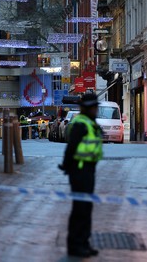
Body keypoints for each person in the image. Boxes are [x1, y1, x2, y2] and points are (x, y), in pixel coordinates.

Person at [58, 94, 103, 258]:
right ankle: (75, 245)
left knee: (86, 208)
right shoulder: (80, 124)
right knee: (80, 209)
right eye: (93, 107)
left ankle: (84, 243)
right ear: (86, 108)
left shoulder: (90, 123)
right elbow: (71, 148)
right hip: (79, 171)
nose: (95, 110)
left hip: (88, 170)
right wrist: (66, 165)